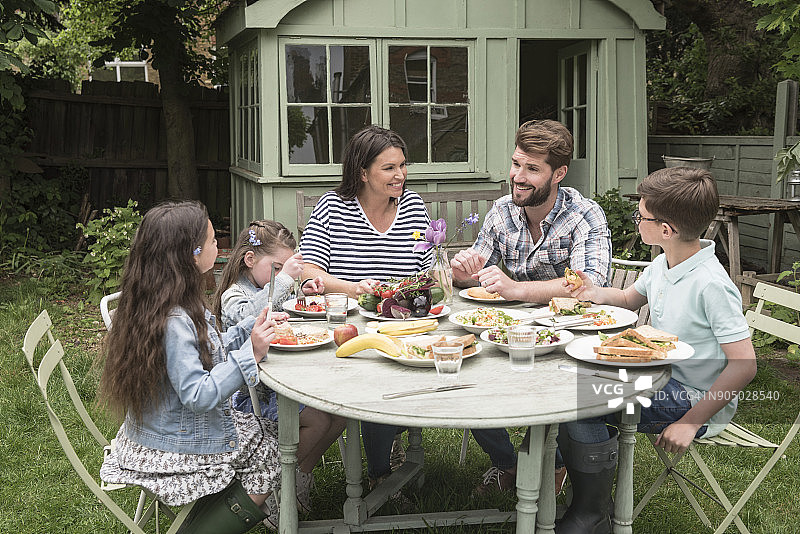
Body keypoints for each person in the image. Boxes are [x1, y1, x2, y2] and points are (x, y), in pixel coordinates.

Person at [561, 167, 757, 534]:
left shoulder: (711, 284)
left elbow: (744, 366)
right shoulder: (665, 262)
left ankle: (589, 517)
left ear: (665, 230)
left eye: (641, 216)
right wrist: (592, 293)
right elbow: (626, 298)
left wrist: (691, 421)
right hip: (656, 377)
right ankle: (561, 485)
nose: (637, 219)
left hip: (694, 399)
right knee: (566, 382)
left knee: (581, 406)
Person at [98, 201, 282, 534]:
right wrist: (249, 355)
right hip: (171, 447)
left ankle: (216, 514)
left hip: (158, 429)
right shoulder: (175, 319)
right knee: (273, 450)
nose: (218, 245)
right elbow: (198, 394)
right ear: (191, 255)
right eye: (213, 240)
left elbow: (210, 348)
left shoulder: (162, 299)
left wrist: (250, 328)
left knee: (268, 432)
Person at [451, 119, 612, 494]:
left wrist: (514, 288)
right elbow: (474, 275)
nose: (518, 177)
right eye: (516, 163)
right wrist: (463, 271)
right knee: (464, 381)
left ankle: (569, 479)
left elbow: (589, 287)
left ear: (559, 174)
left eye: (532, 169)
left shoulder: (584, 215)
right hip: (515, 334)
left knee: (570, 392)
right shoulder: (502, 212)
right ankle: (511, 465)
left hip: (578, 337)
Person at [299, 125, 432, 489]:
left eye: (403, 166)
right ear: (362, 172)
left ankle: (383, 466)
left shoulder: (413, 206)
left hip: (403, 325)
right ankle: (381, 473)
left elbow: (425, 270)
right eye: (389, 168)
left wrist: (413, 290)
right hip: (347, 329)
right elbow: (309, 270)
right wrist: (356, 288)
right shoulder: (333, 207)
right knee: (373, 378)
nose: (400, 175)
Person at [213, 220, 344, 514]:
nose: (281, 274)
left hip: (283, 383)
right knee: (320, 420)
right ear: (250, 260)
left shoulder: (267, 285)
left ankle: (296, 480)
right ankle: (275, 486)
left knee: (339, 415)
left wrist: (305, 292)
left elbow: (283, 309)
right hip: (252, 397)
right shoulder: (234, 295)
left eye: (285, 268)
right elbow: (252, 313)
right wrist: (284, 280)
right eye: (276, 267)